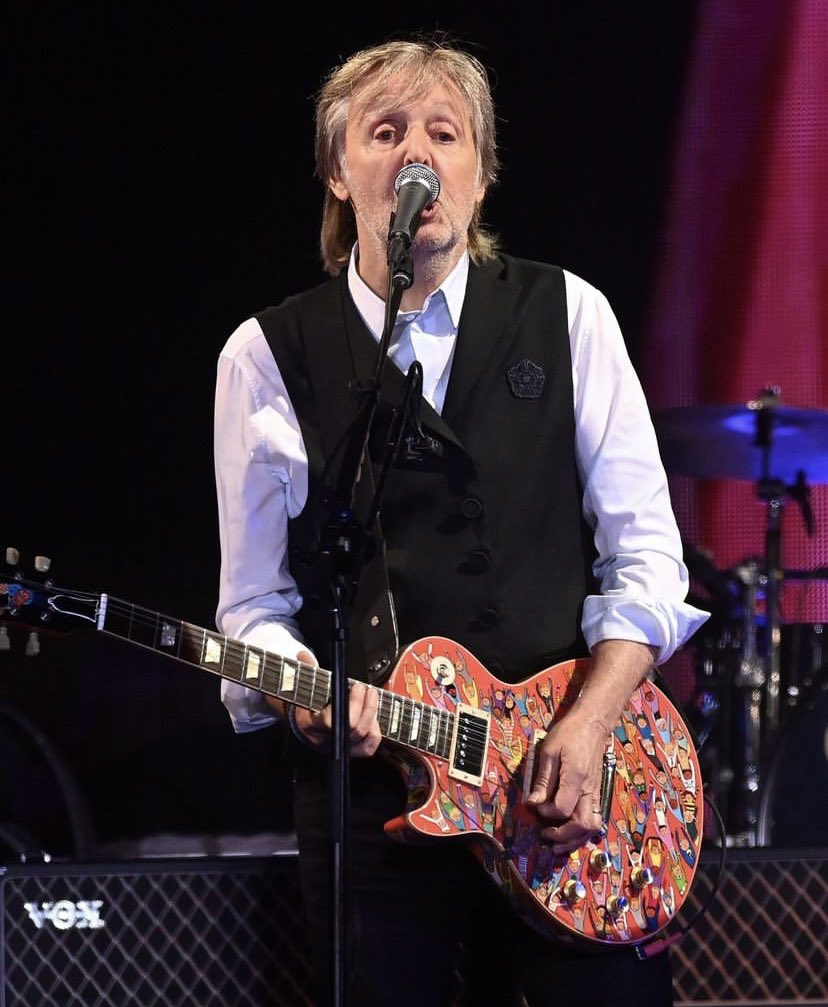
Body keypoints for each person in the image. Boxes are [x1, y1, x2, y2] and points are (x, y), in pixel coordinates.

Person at [214, 36, 708, 1007]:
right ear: (336, 167)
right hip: (375, 802)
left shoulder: (569, 315)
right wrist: (305, 684)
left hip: (569, 784)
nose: (417, 157)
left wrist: (589, 723)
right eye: (385, 131)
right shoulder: (267, 355)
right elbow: (253, 603)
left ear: (480, 175)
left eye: (445, 133)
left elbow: (648, 554)